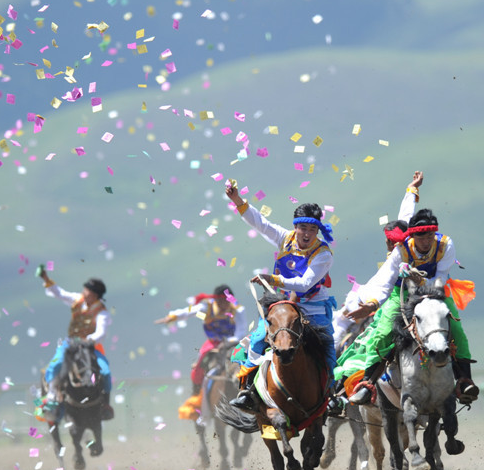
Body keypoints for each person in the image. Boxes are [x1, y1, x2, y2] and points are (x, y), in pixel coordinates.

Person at [335, 207, 479, 406]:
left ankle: (464, 381)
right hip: (401, 293)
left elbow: (442, 274)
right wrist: (371, 305)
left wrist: (421, 283)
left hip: (436, 290)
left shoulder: (446, 244)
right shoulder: (400, 251)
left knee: (456, 329)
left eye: (429, 236)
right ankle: (367, 384)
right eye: (421, 237)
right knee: (382, 333)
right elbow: (384, 282)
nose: (426, 241)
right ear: (412, 236)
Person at [224, 180, 338, 412]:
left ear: (318, 230)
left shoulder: (323, 254)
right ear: (295, 227)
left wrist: (274, 279)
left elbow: (305, 284)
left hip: (313, 306)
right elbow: (261, 223)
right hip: (283, 304)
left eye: (312, 229)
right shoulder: (285, 238)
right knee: (257, 338)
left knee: (327, 347)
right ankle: (247, 390)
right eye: (303, 228)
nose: (306, 234)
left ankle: (333, 394)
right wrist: (237, 200)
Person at [332, 171, 423, 352]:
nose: (390, 244)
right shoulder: (403, 238)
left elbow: (383, 285)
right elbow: (406, 214)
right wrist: (412, 189)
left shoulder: (403, 249)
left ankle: (461, 372)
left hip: (403, 296)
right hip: (380, 297)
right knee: (345, 323)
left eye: (392, 241)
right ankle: (339, 360)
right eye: (389, 240)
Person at [37, 267, 114, 420]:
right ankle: (52, 395)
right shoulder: (77, 300)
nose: (84, 293)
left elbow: (101, 332)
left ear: (95, 295)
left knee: (105, 372)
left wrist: (88, 341)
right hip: (70, 344)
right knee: (54, 365)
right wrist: (46, 279)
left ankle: (105, 404)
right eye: (84, 290)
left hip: (91, 347)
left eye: (87, 292)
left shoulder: (102, 312)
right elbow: (59, 293)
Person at [155, 284, 248, 396]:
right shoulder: (206, 308)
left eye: (226, 301)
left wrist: (228, 342)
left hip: (233, 344)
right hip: (213, 343)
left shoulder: (238, 310)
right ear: (216, 299)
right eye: (220, 301)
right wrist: (173, 316)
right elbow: (189, 312)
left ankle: (248, 391)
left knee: (246, 362)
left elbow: (241, 332)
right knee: (200, 364)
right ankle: (197, 391)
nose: (223, 304)